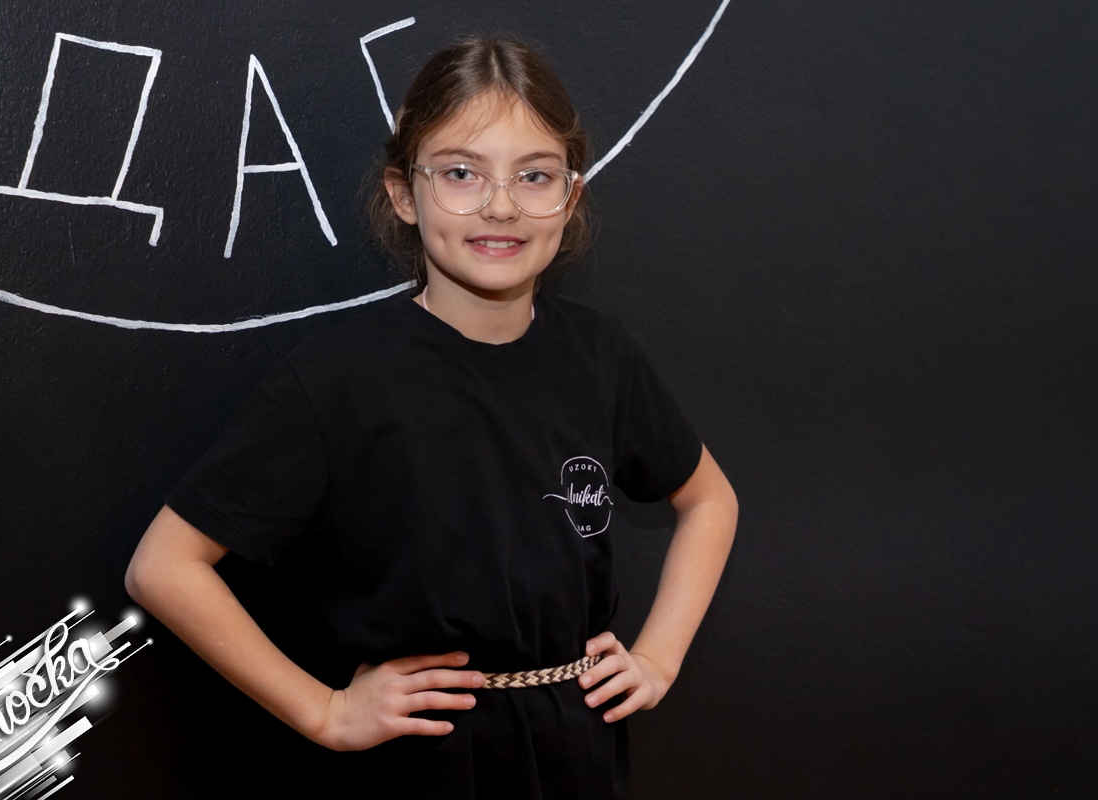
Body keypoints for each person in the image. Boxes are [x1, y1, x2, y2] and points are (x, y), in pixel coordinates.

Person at [125, 36, 737, 799]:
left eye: (534, 175)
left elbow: (709, 500)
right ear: (403, 194)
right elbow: (163, 567)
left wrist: (658, 659)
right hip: (419, 764)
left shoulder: (601, 357)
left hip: (576, 756)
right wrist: (324, 711)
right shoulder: (339, 378)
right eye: (460, 173)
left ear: (571, 196)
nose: (501, 205)